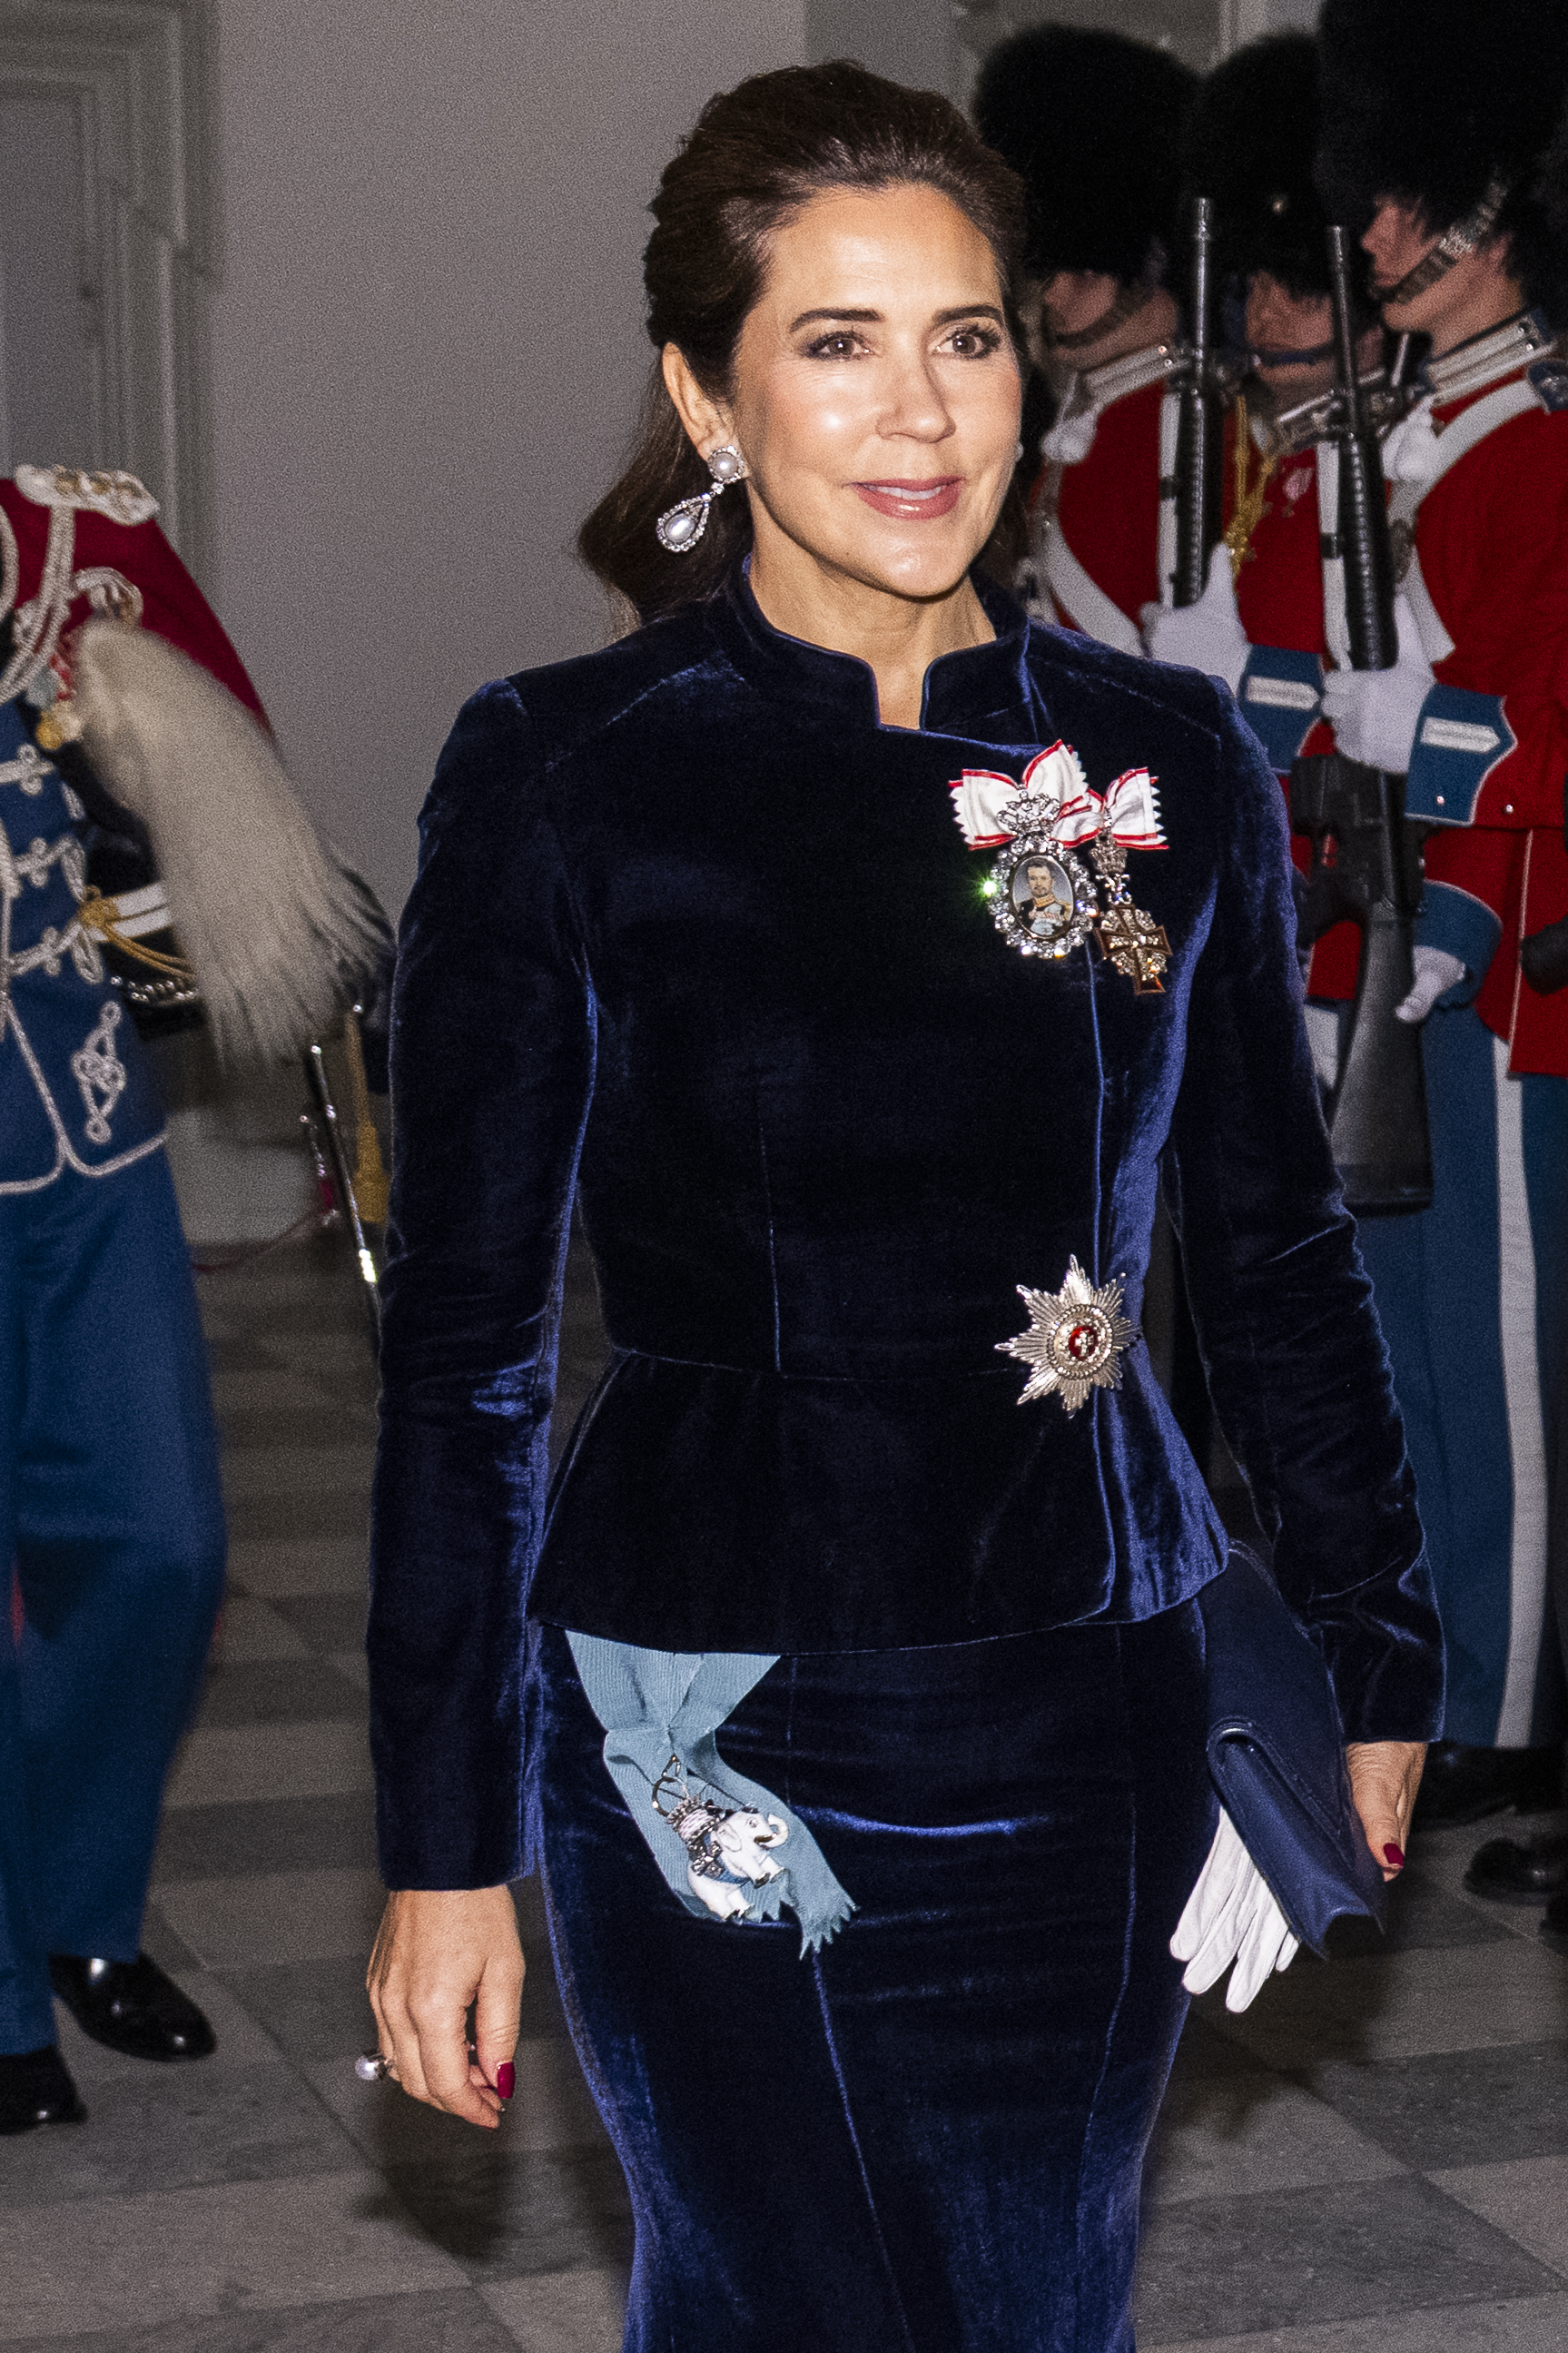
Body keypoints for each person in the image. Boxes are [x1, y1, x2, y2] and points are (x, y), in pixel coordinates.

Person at [362, 63, 1440, 2350]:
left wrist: (1366, 1642)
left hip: (1091, 1698)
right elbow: (460, 1360)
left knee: (1031, 2300)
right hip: (701, 1714)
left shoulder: (1161, 770)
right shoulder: (571, 777)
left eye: (962, 335)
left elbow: (1264, 1244)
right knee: (771, 2300)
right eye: (833, 341)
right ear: (704, 393)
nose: (918, 408)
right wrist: (442, 1843)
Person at [0, 462, 378, 2134]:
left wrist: (144, 793)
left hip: (71, 1136)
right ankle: (4, 1990)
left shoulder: (77, 544)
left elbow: (187, 938)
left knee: (161, 1546)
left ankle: (79, 1914)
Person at [1315, 0, 1568, 1882]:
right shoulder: (1423, 421)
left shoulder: (1525, 431)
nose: (1370, 237)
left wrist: (1447, 911)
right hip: (1396, 914)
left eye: (1403, 203)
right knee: (1411, 1352)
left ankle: (1510, 1693)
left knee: (1500, 1360)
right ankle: (1459, 1666)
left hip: (1489, 947)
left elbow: (1522, 714)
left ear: (1489, 209)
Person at [1142, 30, 1388, 1064]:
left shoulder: (1390, 467)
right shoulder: (1267, 459)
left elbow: (1365, 694)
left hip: (1343, 903)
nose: (1266, 311)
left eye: (1303, 285)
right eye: (1257, 282)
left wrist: (1245, 677)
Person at [972, 25, 1197, 651]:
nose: (1052, 293)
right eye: (1050, 264)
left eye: (1087, 266)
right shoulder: (1090, 417)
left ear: (1153, 261)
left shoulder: (1191, 423)